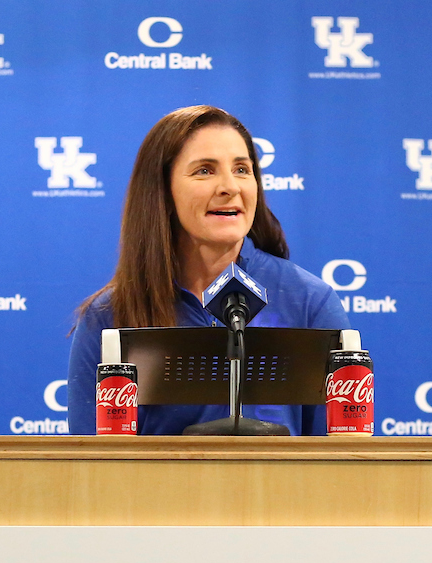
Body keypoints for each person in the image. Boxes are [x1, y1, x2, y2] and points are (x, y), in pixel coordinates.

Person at [67, 105, 349, 435]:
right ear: (163, 192)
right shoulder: (108, 316)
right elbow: (91, 466)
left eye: (242, 170)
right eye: (204, 171)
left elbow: (339, 456)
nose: (230, 187)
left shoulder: (308, 300)